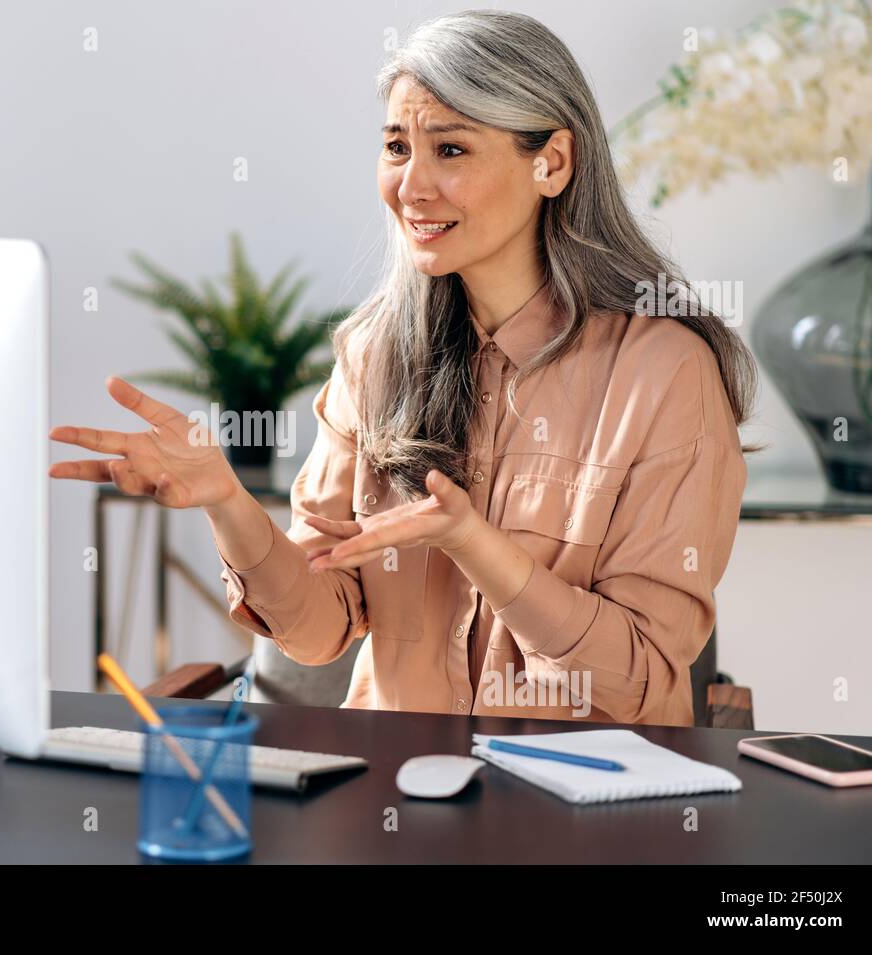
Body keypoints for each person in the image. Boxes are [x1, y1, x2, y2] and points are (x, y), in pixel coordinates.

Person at [50, 10, 758, 726]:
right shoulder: (374, 356)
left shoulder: (664, 375)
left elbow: (634, 685)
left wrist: (473, 544)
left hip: (586, 811)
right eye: (396, 146)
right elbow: (319, 629)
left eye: (450, 149)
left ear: (553, 163)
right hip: (392, 796)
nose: (411, 187)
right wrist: (226, 501)